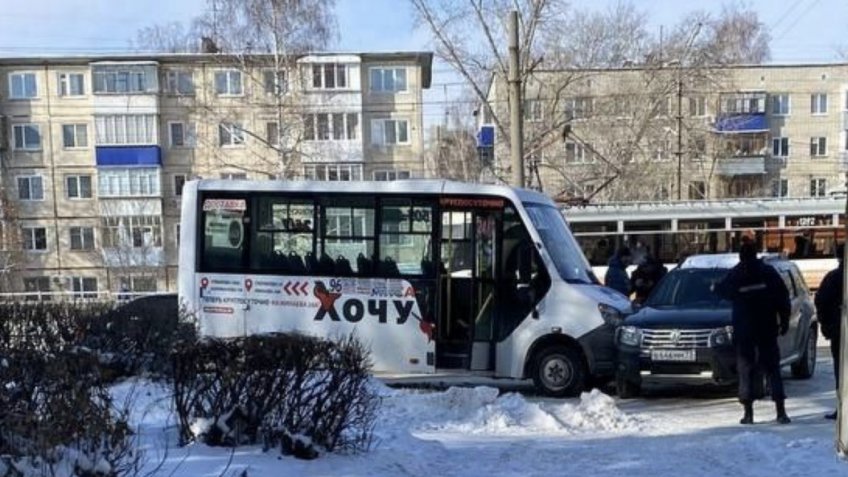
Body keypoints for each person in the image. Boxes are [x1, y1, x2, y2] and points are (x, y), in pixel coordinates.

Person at [716, 242, 792, 425]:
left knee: (746, 371)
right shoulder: (768, 272)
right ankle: (780, 412)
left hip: (744, 331)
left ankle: (748, 414)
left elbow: (722, 291)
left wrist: (714, 287)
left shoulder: (736, 274)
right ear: (756, 254)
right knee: (773, 368)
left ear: (741, 256)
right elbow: (783, 298)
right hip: (767, 328)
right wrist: (784, 321)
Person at [815, 243, 844, 420]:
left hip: (839, 331)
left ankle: (842, 408)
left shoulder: (833, 278)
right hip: (838, 329)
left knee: (841, 371)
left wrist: (826, 326)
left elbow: (821, 302)